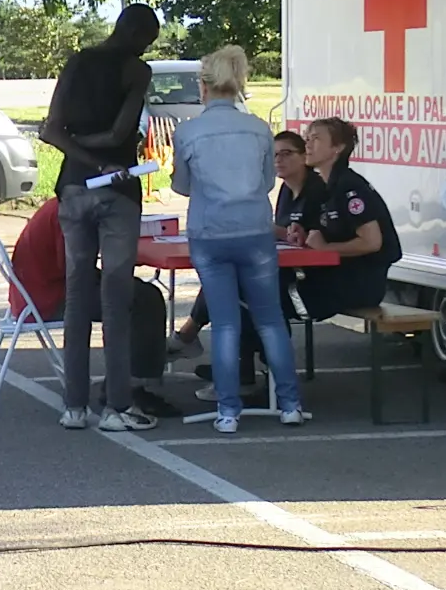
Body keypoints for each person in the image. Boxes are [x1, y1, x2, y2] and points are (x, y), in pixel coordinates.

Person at [170, 46, 307, 432]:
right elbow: (267, 182)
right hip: (255, 230)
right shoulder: (260, 129)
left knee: (226, 324)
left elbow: (182, 186)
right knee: (270, 320)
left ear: (204, 86)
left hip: (210, 231)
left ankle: (228, 411)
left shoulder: (189, 131)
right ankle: (290, 404)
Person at [42, 3, 160, 432]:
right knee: (116, 296)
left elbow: (50, 130)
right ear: (139, 36)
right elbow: (117, 133)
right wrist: (107, 163)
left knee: (77, 296)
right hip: (119, 190)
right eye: (148, 41)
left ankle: (73, 406)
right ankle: (117, 406)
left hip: (72, 188)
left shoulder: (78, 62)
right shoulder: (136, 72)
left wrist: (82, 154)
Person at [8, 195, 177, 417]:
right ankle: (133, 384)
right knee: (144, 300)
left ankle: (128, 379)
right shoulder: (68, 215)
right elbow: (72, 268)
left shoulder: (64, 206)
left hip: (39, 291)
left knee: (139, 294)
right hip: (50, 296)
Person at [169, 128, 327, 356]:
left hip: (307, 277)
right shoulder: (285, 190)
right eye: (273, 155)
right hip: (280, 267)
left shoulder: (316, 190)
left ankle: (193, 340)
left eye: (286, 154)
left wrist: (278, 232)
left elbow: (312, 237)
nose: (278, 161)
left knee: (235, 283)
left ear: (304, 157)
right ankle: (235, 367)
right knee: (229, 275)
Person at [289, 115, 402, 320]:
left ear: (338, 148)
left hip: (359, 284)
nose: (308, 144)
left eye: (316, 139)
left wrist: (325, 249)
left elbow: (371, 242)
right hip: (332, 278)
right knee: (263, 293)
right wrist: (304, 234)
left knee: (270, 299)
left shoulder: (349, 186)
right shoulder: (325, 186)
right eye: (307, 138)